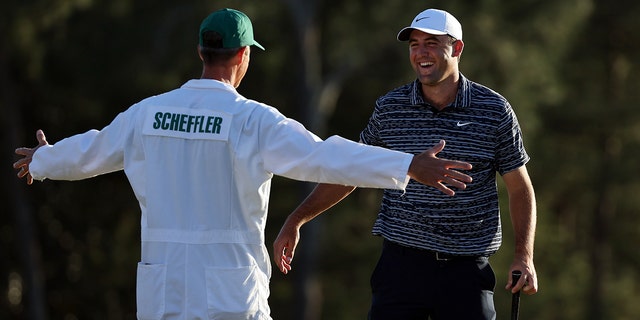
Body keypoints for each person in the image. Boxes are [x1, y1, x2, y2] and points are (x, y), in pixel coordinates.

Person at [12, 8, 474, 320]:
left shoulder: (147, 114)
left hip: (162, 287)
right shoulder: (252, 120)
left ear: (200, 53)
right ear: (243, 55)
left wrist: (44, 159)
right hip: (229, 291)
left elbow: (91, 151)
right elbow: (325, 156)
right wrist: (407, 165)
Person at [273, 8, 538, 320]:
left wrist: (524, 255)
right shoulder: (391, 108)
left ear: (457, 48)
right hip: (402, 267)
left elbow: (520, 188)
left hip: (466, 271)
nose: (421, 53)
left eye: (431, 43)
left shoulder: (494, 111)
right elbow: (352, 171)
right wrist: (296, 220)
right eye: (414, 45)